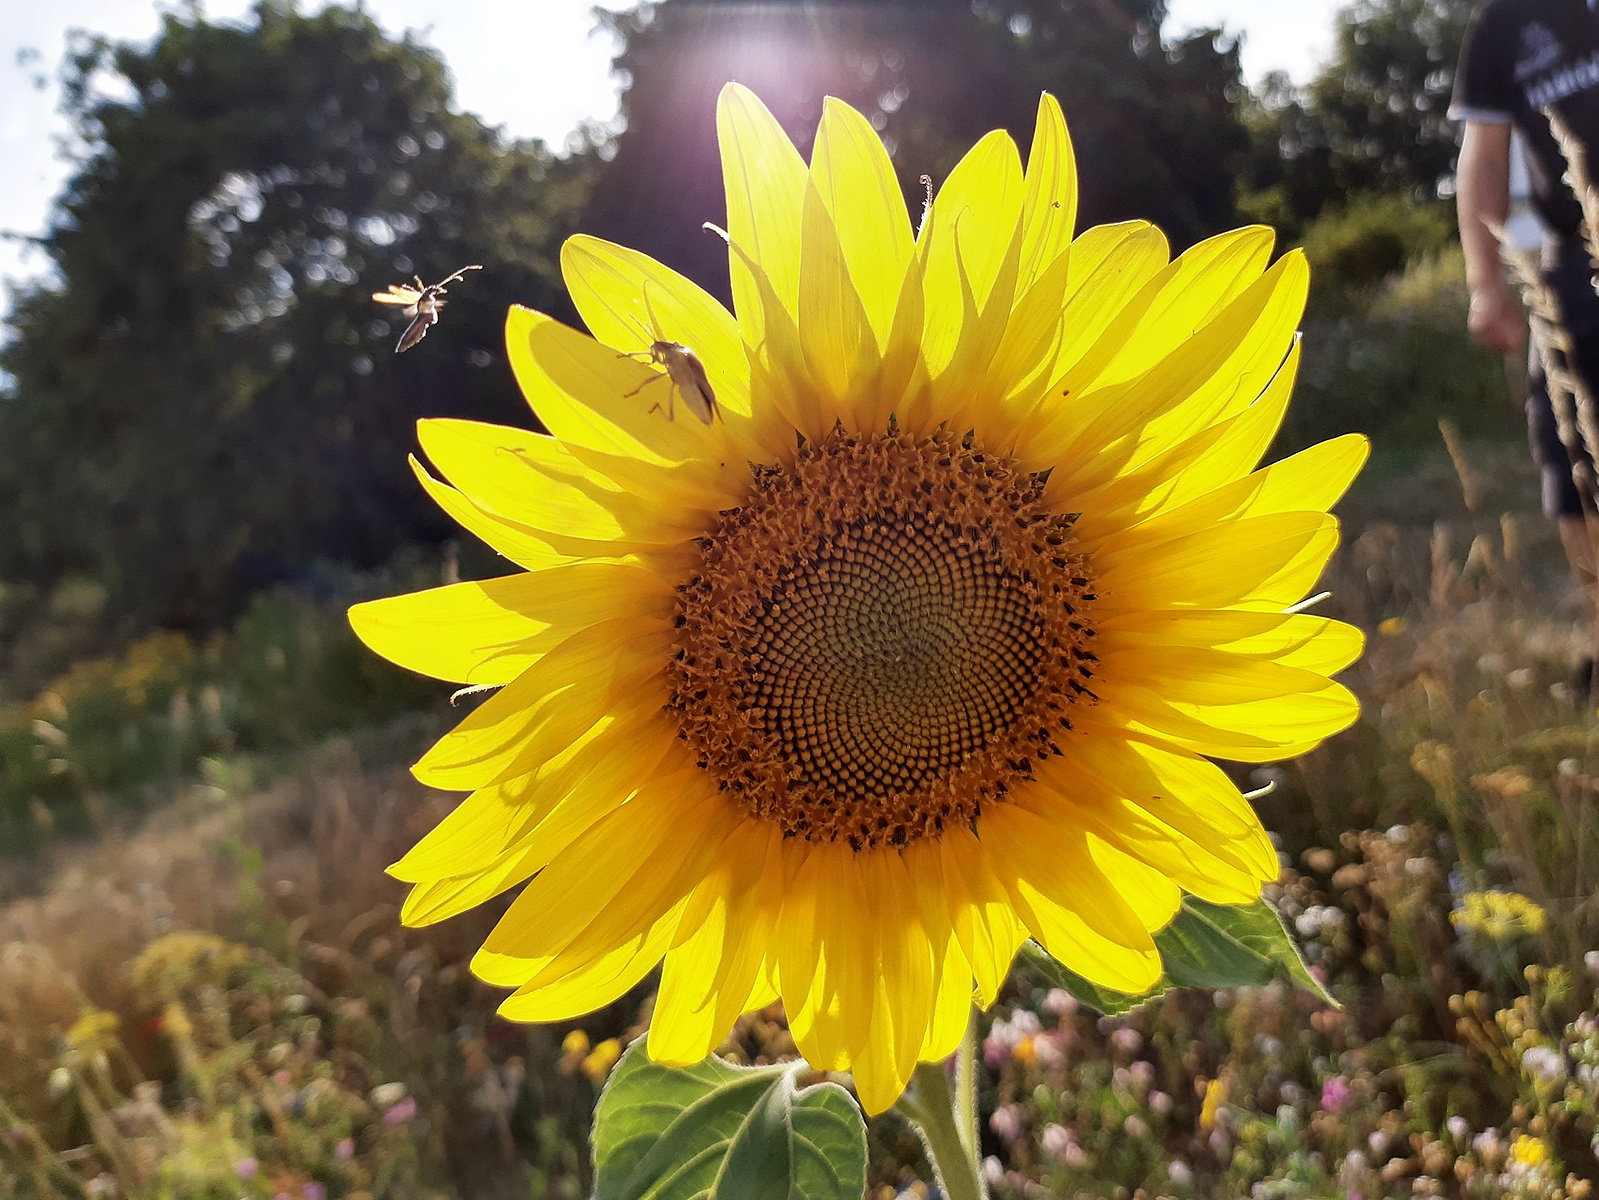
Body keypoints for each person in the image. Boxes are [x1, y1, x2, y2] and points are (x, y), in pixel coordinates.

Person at [1453, 0, 1599, 682]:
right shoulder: (1504, 25)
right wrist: (1486, 282)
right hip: (1574, 260)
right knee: (1571, 451)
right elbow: (1482, 155)